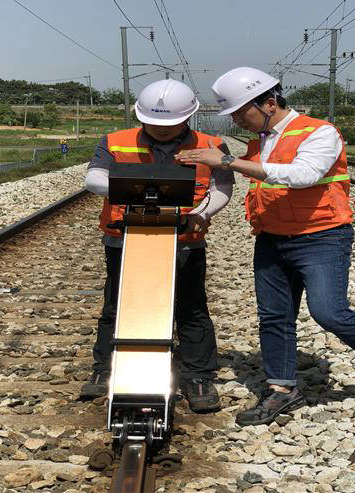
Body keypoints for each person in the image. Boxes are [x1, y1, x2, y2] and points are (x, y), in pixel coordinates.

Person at [176, 67, 355, 426]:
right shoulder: (260, 140)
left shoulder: (320, 132)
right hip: (273, 238)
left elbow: (303, 176)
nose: (239, 121)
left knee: (329, 312)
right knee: (274, 315)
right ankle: (283, 388)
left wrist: (227, 161)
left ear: (269, 103)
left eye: (242, 113)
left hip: (320, 236)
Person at [81, 79, 234, 413]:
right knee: (117, 304)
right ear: (141, 116)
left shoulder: (211, 143)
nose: (161, 130)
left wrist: (202, 212)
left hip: (186, 240)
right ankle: (105, 368)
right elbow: (93, 177)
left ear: (188, 117)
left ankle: (198, 376)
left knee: (191, 306)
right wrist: (128, 191)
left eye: (170, 124)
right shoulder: (114, 141)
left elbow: (223, 186)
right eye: (153, 123)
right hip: (124, 237)